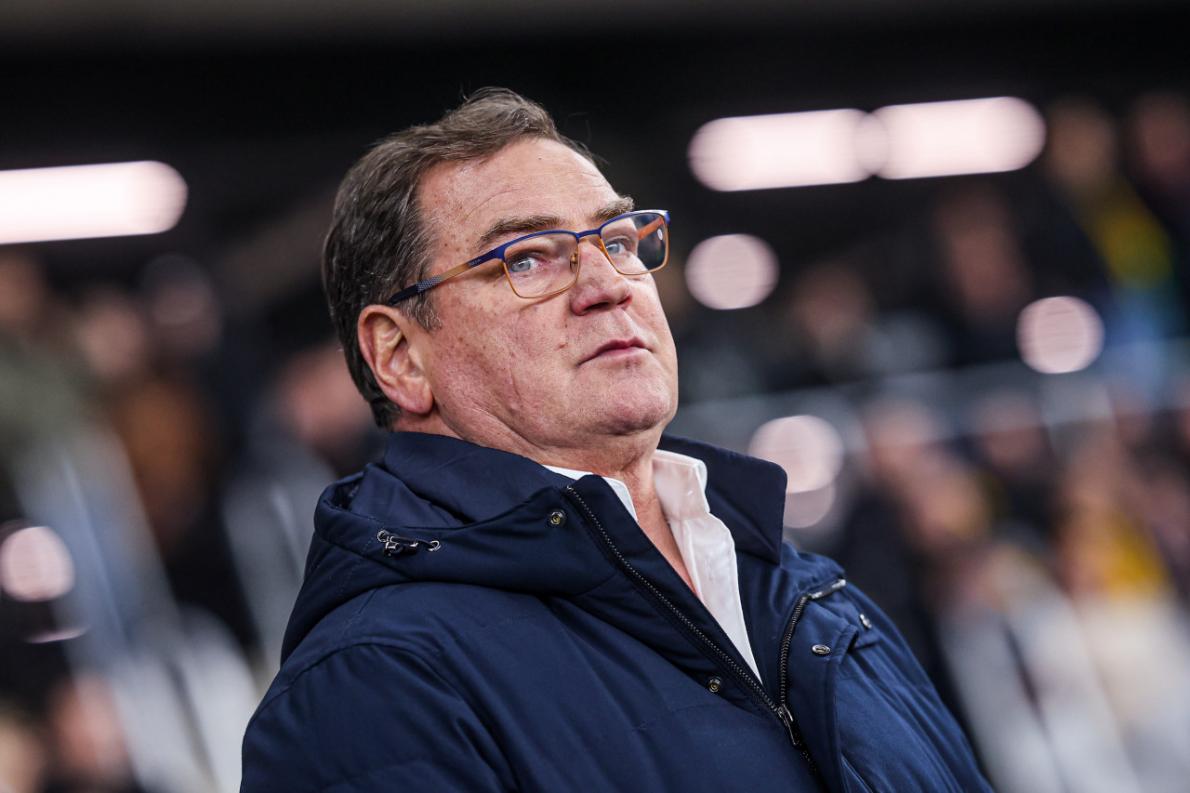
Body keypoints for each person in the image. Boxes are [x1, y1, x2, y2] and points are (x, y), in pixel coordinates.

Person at [240, 88, 991, 793]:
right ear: (401, 356)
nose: (608, 284)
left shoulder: (813, 594)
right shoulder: (371, 683)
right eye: (526, 257)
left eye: (619, 240)